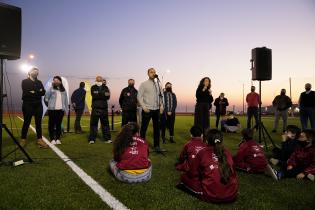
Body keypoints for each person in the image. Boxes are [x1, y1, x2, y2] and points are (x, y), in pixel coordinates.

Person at [177, 129, 238, 203]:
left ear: (207, 140)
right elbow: (233, 172)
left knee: (184, 177)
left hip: (211, 196)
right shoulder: (227, 152)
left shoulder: (203, 152)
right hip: (232, 195)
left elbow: (193, 173)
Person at [137, 68, 165, 152]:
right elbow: (139, 96)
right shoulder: (144, 84)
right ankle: (141, 146)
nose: (153, 73)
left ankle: (157, 146)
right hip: (147, 109)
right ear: (148, 74)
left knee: (157, 129)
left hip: (156, 110)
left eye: (154, 72)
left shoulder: (158, 85)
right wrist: (144, 107)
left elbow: (161, 96)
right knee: (143, 128)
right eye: (151, 72)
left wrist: (162, 106)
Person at [20, 67, 48, 148]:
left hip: (38, 105)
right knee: (27, 122)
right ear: (29, 72)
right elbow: (27, 92)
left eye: (37, 71)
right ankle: (23, 139)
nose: (36, 72)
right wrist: (38, 91)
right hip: (28, 104)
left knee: (38, 123)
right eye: (34, 70)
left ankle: (39, 140)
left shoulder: (39, 82)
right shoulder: (24, 81)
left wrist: (34, 91)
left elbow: (43, 92)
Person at [176, 126, 207, 193]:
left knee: (183, 175)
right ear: (202, 135)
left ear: (191, 135)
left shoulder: (188, 145)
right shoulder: (205, 145)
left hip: (191, 171)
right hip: (204, 171)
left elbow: (181, 157)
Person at [44, 76, 68, 145]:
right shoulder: (51, 89)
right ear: (53, 82)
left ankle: (57, 139)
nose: (56, 81)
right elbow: (46, 98)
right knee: (51, 125)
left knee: (58, 125)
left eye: (57, 80)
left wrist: (66, 109)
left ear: (60, 81)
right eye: (54, 80)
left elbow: (66, 101)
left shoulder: (63, 90)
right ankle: (52, 139)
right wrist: (49, 105)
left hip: (61, 110)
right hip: (52, 110)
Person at [88, 76, 111, 144]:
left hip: (104, 108)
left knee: (105, 124)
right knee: (93, 124)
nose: (99, 81)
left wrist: (99, 94)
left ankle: (107, 139)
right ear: (96, 80)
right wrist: (103, 94)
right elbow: (94, 95)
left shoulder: (106, 87)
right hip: (95, 108)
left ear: (102, 81)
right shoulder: (93, 87)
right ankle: (92, 139)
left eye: (100, 80)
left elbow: (108, 96)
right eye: (98, 80)